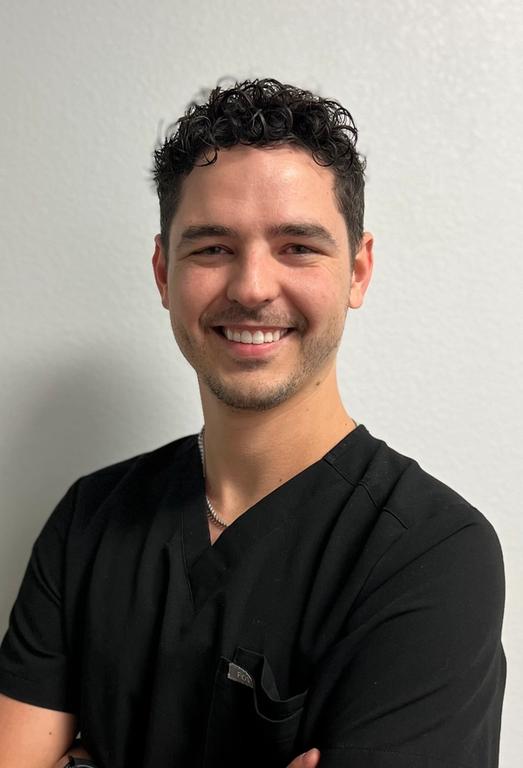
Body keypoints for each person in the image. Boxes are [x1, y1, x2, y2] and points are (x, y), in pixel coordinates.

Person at [0, 77, 506, 768]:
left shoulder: (431, 555)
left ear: (357, 271)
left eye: (297, 247)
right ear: (163, 272)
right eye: (212, 247)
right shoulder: (89, 520)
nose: (252, 287)